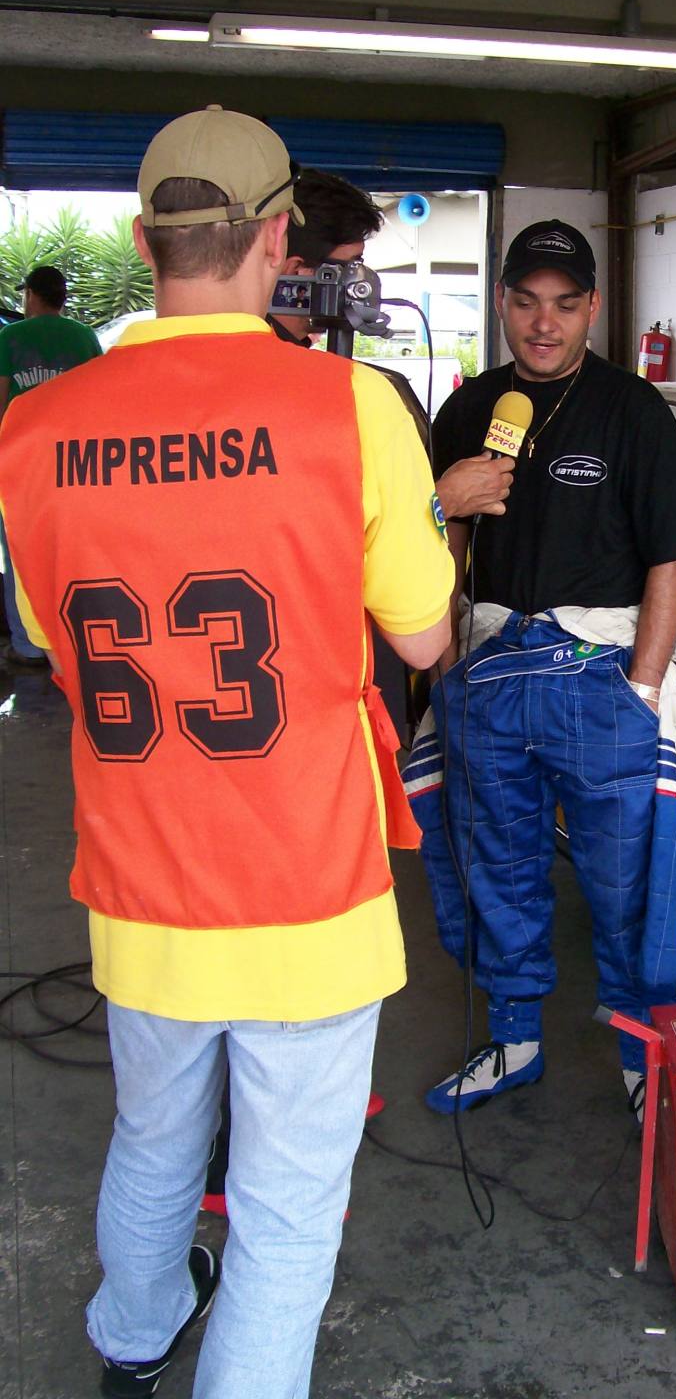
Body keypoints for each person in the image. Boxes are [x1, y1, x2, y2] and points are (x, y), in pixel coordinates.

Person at [0, 106, 454, 1399]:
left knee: (152, 1134)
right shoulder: (350, 408)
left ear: (145, 241)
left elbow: (44, 635)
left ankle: (132, 1341)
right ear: (273, 239)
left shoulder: (33, 433)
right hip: (307, 887)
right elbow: (422, 639)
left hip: (141, 885)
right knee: (285, 1204)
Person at [407, 219, 676, 1117]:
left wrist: (644, 688)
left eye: (566, 305)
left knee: (626, 882)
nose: (545, 324)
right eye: (527, 302)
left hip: (600, 681)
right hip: (490, 675)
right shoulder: (472, 411)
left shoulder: (631, 409)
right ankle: (515, 1040)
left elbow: (672, 560)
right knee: (496, 867)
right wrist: (450, 660)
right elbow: (444, 545)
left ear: (592, 309)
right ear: (502, 302)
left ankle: (636, 1053)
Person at [270, 167, 512, 521]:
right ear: (301, 274)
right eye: (351, 267)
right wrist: (444, 501)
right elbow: (323, 523)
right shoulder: (281, 384)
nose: (363, 282)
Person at [0, 265, 101, 665]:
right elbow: (97, 397)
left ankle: (26, 645)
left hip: (21, 462)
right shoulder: (82, 336)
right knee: (71, 548)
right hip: (75, 462)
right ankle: (71, 637)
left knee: (18, 550)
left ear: (30, 296)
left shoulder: (10, 337)